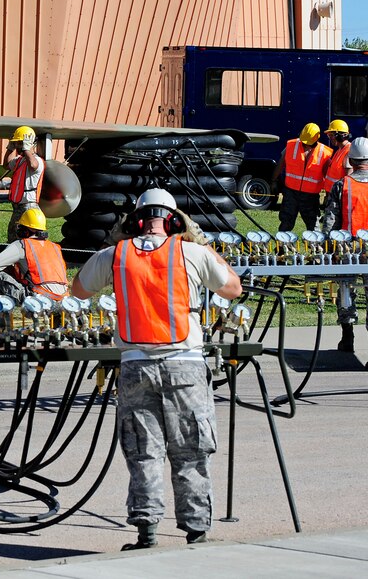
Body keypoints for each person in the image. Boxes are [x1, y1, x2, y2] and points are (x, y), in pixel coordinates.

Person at [71, 188, 242, 550]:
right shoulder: (191, 252)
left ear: (135, 221)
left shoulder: (115, 255)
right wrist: (201, 241)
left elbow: (79, 290)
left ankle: (146, 532)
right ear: (174, 220)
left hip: (136, 366)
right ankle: (196, 531)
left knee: (142, 451)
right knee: (191, 451)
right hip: (186, 365)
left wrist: (114, 242)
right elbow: (233, 288)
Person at [320, 136, 368, 356]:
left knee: (346, 290)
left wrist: (328, 247)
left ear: (351, 160)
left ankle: (347, 336)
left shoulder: (342, 185)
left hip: (348, 249)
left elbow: (330, 220)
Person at [0, 207, 68, 303]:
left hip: (39, 298)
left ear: (25, 230)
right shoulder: (54, 246)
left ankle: (0, 307)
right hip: (63, 298)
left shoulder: (22, 245)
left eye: (20, 227)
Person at [271, 122, 332, 232]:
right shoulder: (291, 145)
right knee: (286, 223)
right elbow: (280, 164)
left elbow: (328, 176)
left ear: (317, 138)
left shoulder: (324, 153)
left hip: (311, 196)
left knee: (313, 226)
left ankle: (315, 243)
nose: (306, 145)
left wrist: (328, 194)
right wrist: (273, 181)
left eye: (309, 143)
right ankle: (281, 242)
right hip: (290, 193)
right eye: (304, 142)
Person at [4, 125, 44, 242]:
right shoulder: (20, 160)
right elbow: (6, 165)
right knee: (13, 235)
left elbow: (33, 165)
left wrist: (27, 149)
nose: (17, 146)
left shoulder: (37, 160)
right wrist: (10, 149)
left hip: (29, 205)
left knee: (27, 236)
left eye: (19, 143)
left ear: (29, 143)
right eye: (16, 143)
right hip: (19, 205)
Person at [321, 119, 353, 196]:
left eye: (331, 135)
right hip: (333, 193)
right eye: (329, 135)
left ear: (340, 136)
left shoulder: (349, 151)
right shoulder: (340, 150)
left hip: (338, 196)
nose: (330, 138)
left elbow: (349, 179)